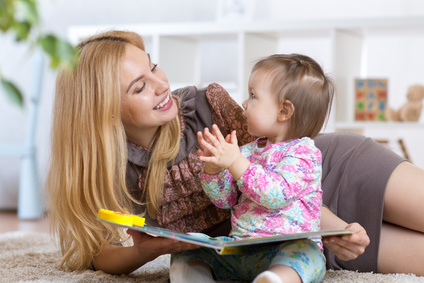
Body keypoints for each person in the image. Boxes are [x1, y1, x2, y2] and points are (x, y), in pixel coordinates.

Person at [46, 30, 424, 277]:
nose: (163, 85)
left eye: (154, 66)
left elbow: (273, 171)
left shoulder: (203, 106)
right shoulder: (115, 171)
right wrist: (153, 250)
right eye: (140, 86)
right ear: (103, 111)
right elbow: (100, 255)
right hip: (282, 243)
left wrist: (333, 227)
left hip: (326, 179)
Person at [170, 54, 334, 283]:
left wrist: (236, 163)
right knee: (190, 244)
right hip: (242, 248)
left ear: (284, 111)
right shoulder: (247, 151)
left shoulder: (304, 153)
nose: (244, 103)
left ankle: (276, 279)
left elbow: (275, 194)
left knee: (308, 255)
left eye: (253, 96)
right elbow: (226, 200)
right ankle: (195, 275)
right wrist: (214, 171)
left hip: (286, 248)